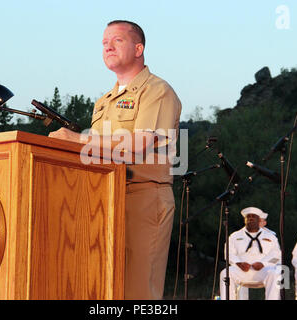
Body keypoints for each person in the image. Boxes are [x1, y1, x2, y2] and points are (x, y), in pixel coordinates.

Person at [48, 20, 182, 300]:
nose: (107, 45)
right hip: (102, 201)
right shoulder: (103, 102)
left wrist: (76, 140)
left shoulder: (158, 91)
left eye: (117, 40)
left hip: (144, 198)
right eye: (104, 42)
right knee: (103, 289)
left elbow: (137, 146)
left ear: (138, 48)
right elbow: (94, 156)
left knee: (136, 292)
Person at [219, 207, 282, 300]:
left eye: (254, 217)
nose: (251, 218)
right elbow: (228, 254)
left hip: (263, 270)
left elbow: (277, 256)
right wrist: (239, 263)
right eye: (248, 217)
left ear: (259, 220)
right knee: (225, 273)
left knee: (274, 273)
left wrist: (263, 264)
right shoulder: (235, 236)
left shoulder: (270, 236)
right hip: (242, 270)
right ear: (244, 220)